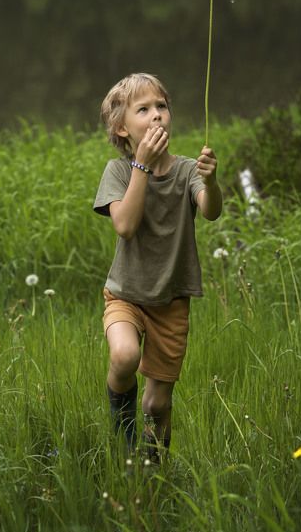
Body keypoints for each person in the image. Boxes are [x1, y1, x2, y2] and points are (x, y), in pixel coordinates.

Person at [93, 73, 222, 462]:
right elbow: (126, 226)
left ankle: (153, 467)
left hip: (171, 303)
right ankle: (123, 437)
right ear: (122, 127)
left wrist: (211, 182)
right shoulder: (118, 173)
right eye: (143, 109)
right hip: (126, 296)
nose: (156, 116)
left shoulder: (186, 171)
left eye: (161, 106)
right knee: (124, 357)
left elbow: (211, 212)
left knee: (157, 406)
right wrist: (142, 167)